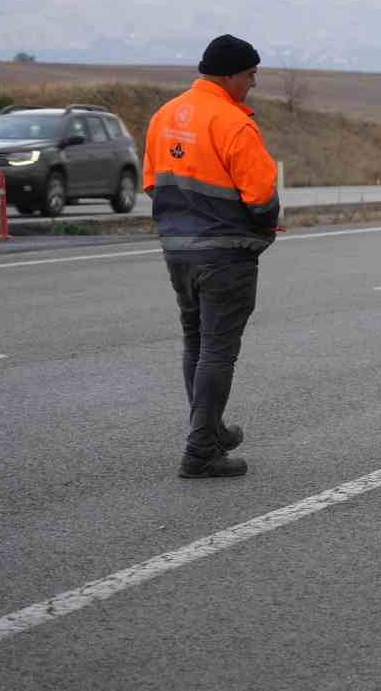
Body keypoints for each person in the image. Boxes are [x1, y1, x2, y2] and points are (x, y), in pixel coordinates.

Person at [143, 34, 281, 479]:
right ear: (228, 75)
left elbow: (152, 183)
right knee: (218, 349)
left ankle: (211, 429)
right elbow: (260, 196)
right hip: (226, 254)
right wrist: (262, 230)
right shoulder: (233, 123)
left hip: (177, 251)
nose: (254, 83)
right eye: (250, 74)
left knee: (197, 342)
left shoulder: (164, 117)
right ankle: (201, 449)